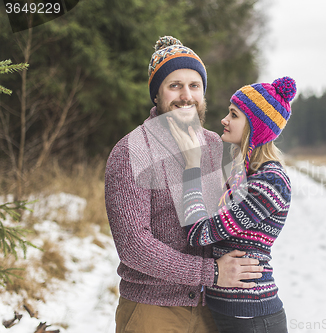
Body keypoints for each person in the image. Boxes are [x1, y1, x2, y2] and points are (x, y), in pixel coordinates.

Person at [104, 36, 263, 333]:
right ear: (157, 94)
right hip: (153, 311)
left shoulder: (219, 146)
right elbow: (134, 246)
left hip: (216, 310)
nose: (185, 96)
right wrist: (211, 272)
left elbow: (241, 214)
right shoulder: (132, 151)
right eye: (174, 85)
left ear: (203, 93)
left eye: (194, 86)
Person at [168, 76, 297, 333]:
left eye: (234, 115)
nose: (224, 120)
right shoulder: (244, 174)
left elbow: (199, 233)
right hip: (233, 315)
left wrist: (191, 167)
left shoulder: (270, 182)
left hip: (251, 319)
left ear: (255, 127)